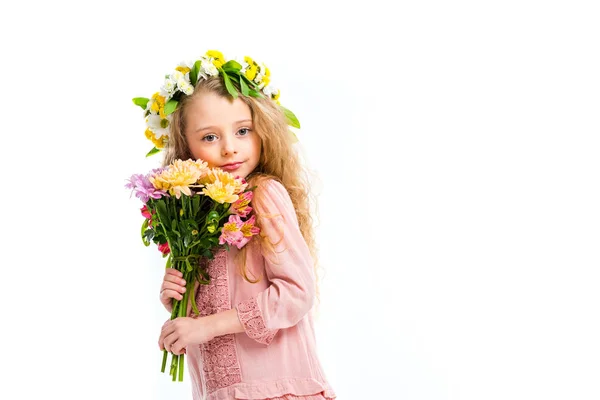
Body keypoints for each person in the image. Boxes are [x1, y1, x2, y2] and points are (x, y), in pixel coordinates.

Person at [138, 50, 336, 400]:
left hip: (277, 389)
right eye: (210, 137)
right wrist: (179, 302)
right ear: (186, 147)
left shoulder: (263, 194)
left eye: (243, 130)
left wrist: (205, 326)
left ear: (263, 132)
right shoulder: (196, 213)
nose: (230, 148)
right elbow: (220, 299)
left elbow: (296, 293)